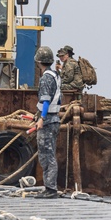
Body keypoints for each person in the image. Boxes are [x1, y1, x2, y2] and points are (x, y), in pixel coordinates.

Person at [31, 46, 62, 198]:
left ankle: (51, 189)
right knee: (49, 154)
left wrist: (42, 119)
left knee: (46, 155)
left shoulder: (45, 78)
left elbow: (45, 101)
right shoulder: (55, 74)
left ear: (38, 61)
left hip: (48, 121)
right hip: (53, 119)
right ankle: (49, 187)